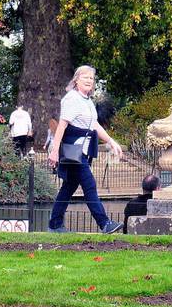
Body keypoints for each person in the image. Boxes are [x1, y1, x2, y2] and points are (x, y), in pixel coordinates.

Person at [46, 65, 124, 235]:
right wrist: (54, 151)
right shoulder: (71, 98)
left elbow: (94, 125)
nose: (89, 80)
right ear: (76, 80)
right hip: (73, 148)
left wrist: (111, 141)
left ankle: (54, 224)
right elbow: (62, 125)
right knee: (89, 184)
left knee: (69, 186)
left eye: (91, 78)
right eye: (85, 77)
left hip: (83, 149)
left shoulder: (87, 101)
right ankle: (104, 223)